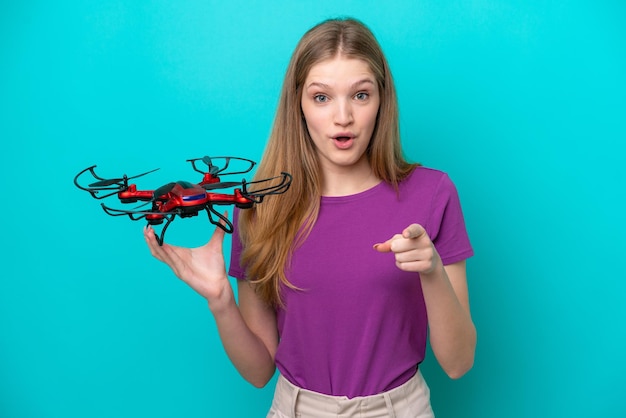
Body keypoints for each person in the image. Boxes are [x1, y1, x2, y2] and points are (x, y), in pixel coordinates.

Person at [144, 17, 476, 418]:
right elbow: (259, 370)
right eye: (322, 97)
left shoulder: (432, 193)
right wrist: (220, 300)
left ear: (382, 101)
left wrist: (432, 270)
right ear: (298, 105)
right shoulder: (259, 207)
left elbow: (458, 364)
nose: (343, 117)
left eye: (360, 95)